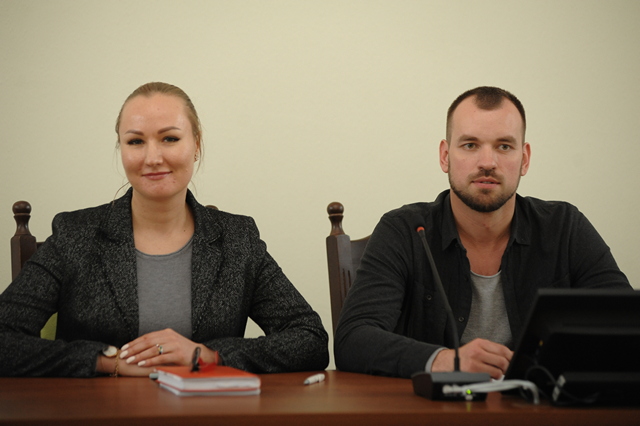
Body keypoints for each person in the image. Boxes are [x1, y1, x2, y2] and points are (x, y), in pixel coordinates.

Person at [0, 82, 329, 377]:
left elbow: (309, 339)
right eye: (135, 141)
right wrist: (107, 361)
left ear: (196, 144)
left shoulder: (237, 239)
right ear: (121, 149)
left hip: (206, 413)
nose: (152, 157)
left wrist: (208, 356)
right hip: (97, 413)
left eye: (169, 138)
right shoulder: (75, 235)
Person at [334, 86, 631, 379]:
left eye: (504, 146)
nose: (487, 163)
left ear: (525, 159)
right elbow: (352, 339)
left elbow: (628, 327)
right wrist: (445, 361)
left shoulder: (565, 228)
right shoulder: (404, 231)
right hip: (433, 406)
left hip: (538, 404)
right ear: (445, 156)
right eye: (470, 145)